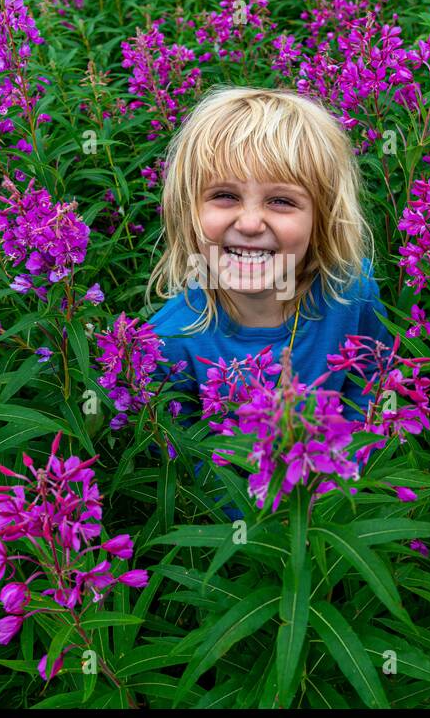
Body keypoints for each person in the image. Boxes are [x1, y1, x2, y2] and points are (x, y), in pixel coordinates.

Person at [144, 86, 394, 515]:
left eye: (281, 201)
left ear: (323, 217)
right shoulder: (168, 341)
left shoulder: (353, 294)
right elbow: (188, 470)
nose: (251, 221)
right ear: (187, 211)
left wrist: (345, 483)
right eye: (224, 196)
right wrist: (268, 523)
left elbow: (375, 384)